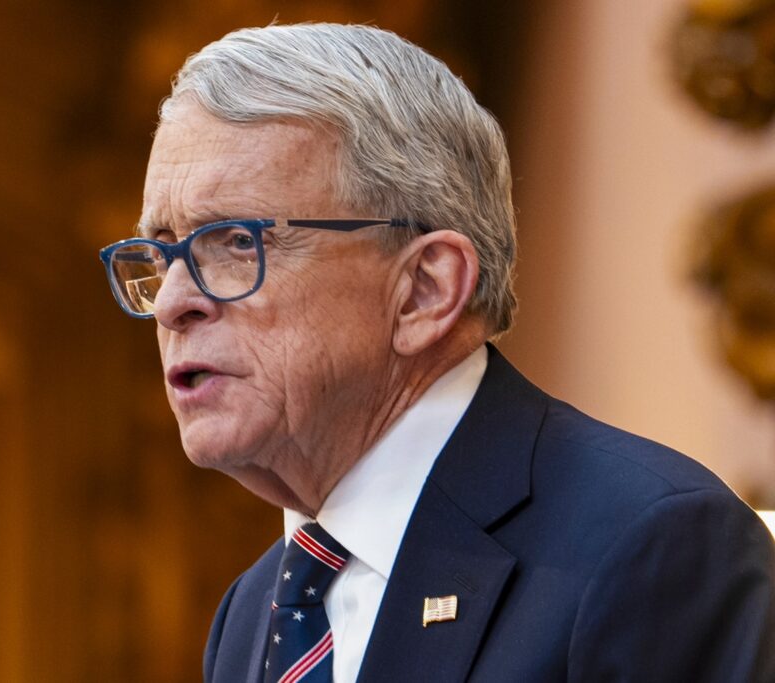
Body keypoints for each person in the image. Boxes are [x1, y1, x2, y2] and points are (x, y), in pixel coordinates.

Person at [98, 23, 775, 682]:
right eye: (161, 253)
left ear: (425, 289)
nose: (172, 302)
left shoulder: (652, 545)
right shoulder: (252, 612)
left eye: (236, 243)